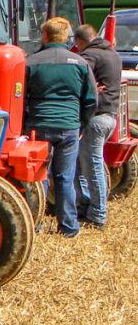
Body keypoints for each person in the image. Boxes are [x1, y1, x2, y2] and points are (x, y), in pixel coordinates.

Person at [24, 17, 97, 237]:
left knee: (39, 178)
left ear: (45, 36)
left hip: (38, 126)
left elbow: (20, 97)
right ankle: (68, 227)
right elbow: (91, 99)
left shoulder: (31, 62)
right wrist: (80, 123)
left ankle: (35, 225)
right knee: (65, 177)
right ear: (66, 37)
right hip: (68, 126)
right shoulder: (80, 63)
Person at [74, 23, 122, 228]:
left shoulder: (90, 56)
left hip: (96, 117)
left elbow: (78, 77)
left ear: (80, 42)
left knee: (92, 166)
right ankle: (85, 204)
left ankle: (97, 214)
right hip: (110, 115)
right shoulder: (112, 54)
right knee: (83, 162)